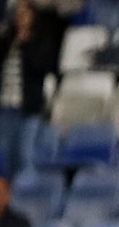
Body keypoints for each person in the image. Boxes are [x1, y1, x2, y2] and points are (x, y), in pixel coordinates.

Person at [0, 1, 53, 178]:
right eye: (18, 14)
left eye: (24, 14)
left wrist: (25, 44)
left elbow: (41, 66)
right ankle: (6, 196)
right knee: (5, 155)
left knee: (25, 154)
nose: (20, 18)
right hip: (6, 106)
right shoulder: (7, 40)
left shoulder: (41, 40)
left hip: (28, 107)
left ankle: (24, 194)